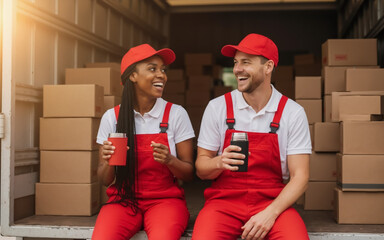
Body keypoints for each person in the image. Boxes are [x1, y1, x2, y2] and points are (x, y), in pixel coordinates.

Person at [192, 33, 311, 240]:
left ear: (268, 67)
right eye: (236, 62)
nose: (237, 69)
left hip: (273, 201)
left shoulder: (292, 112)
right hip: (223, 204)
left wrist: (270, 214)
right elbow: (201, 170)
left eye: (246, 62)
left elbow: (300, 177)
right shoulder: (218, 107)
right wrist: (219, 162)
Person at [92, 44, 195, 240]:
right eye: (152, 68)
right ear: (133, 76)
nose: (161, 75)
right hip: (122, 200)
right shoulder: (111, 117)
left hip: (165, 202)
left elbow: (190, 174)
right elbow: (105, 180)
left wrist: (170, 160)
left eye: (162, 70)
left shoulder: (176, 114)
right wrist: (108, 161)